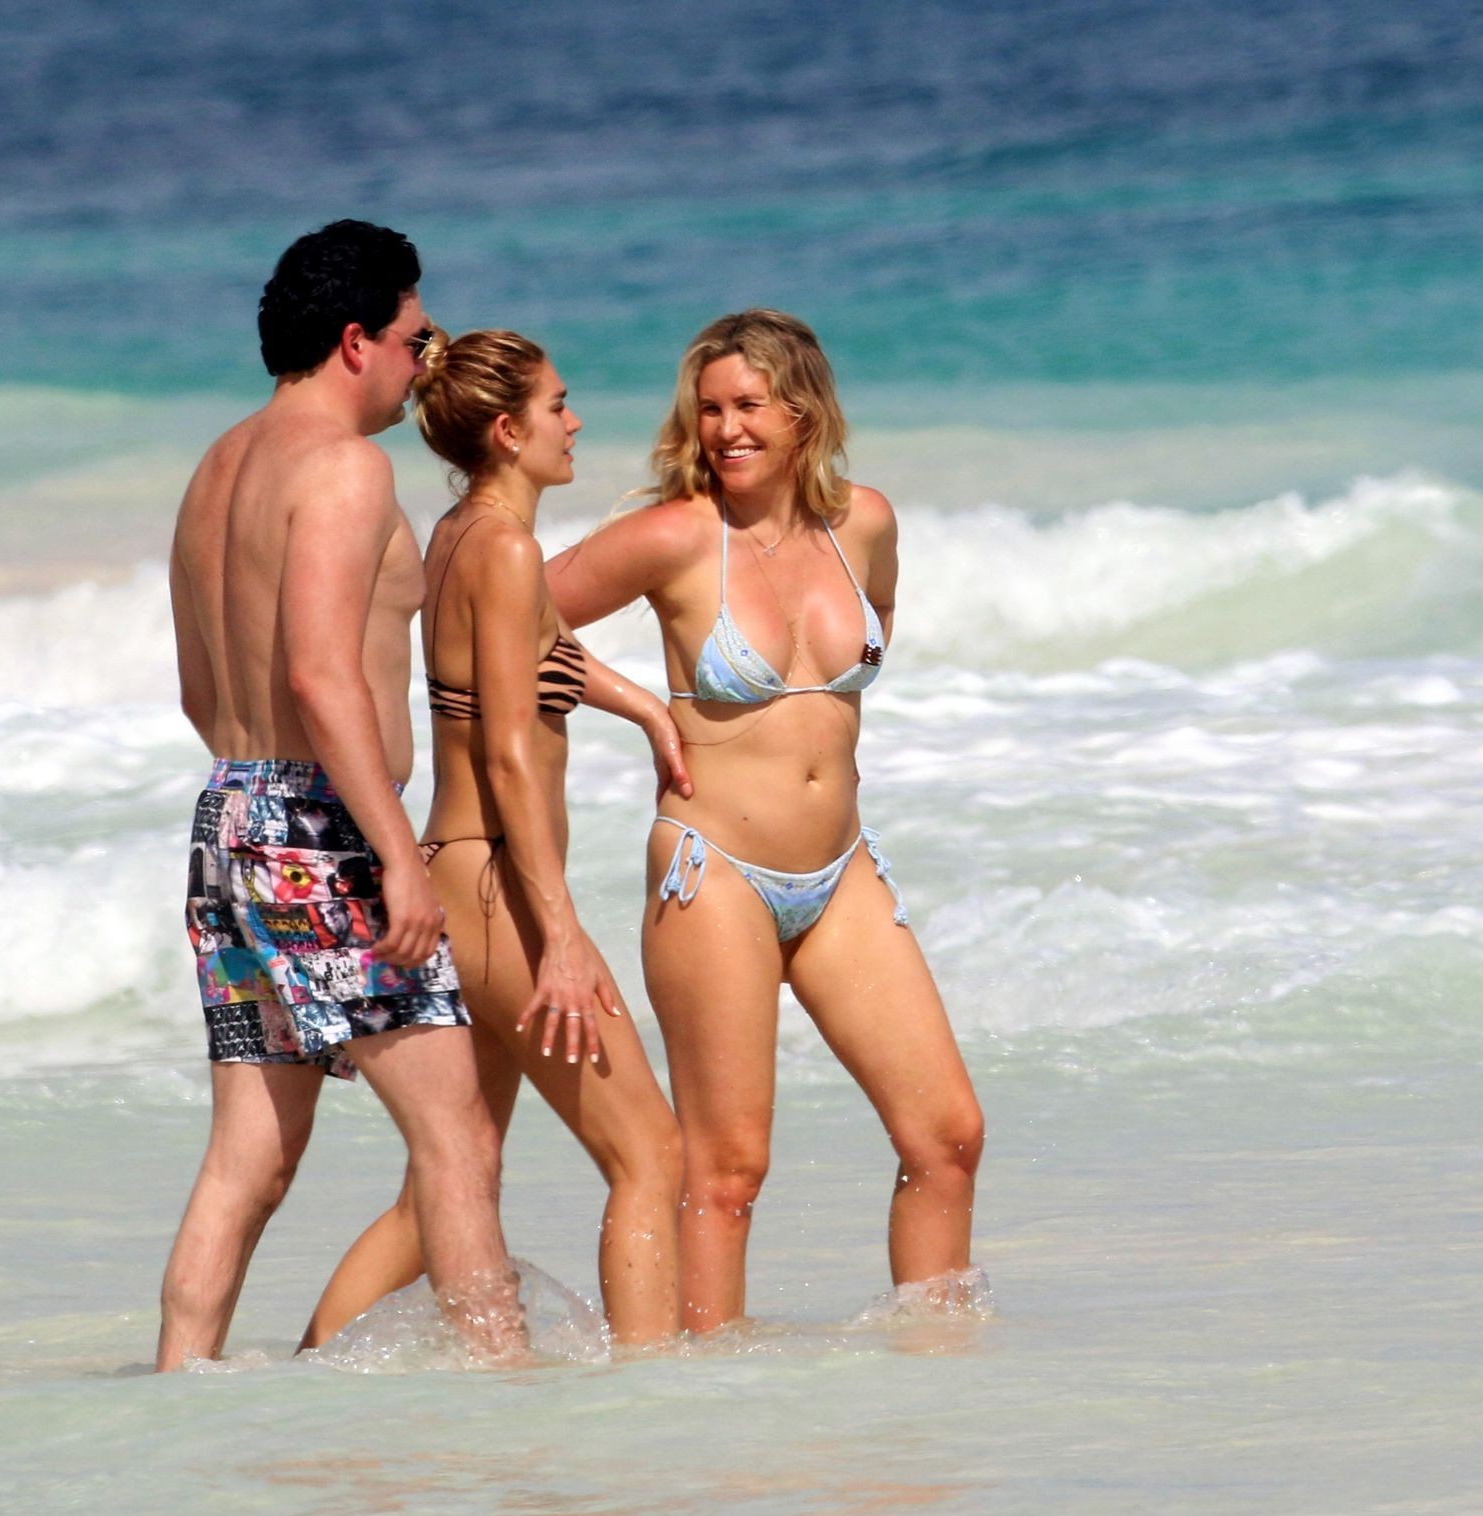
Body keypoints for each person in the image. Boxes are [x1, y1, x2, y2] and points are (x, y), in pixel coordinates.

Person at [545, 309, 985, 1333]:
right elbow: (498, 610)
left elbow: (863, 647)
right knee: (729, 1170)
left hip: (842, 871)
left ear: (803, 412)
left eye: (749, 405)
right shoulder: (676, 536)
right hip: (717, 871)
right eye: (709, 409)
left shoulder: (862, 524)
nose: (726, 429)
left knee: (948, 1136)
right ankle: (715, 1404)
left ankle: (941, 1374)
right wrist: (640, 703)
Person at [155, 220, 524, 1371]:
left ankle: (176, 1393)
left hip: (230, 816)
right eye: (416, 339)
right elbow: (322, 675)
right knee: (458, 1138)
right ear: (356, 340)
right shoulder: (345, 468)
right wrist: (396, 858)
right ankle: (505, 1395)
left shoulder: (219, 466)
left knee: (250, 1159)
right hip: (322, 827)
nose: (425, 364)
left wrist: (272, 833)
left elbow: (200, 690)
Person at [299, 329, 689, 1350]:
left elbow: (534, 648)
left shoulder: (459, 535)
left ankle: (303, 1378)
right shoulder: (509, 550)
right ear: (510, 432)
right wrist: (560, 934)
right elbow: (512, 757)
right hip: (500, 895)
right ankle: (655, 1396)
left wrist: (645, 708)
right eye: (558, 405)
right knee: (650, 1156)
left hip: (448, 876)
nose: (575, 422)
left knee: (449, 1177)